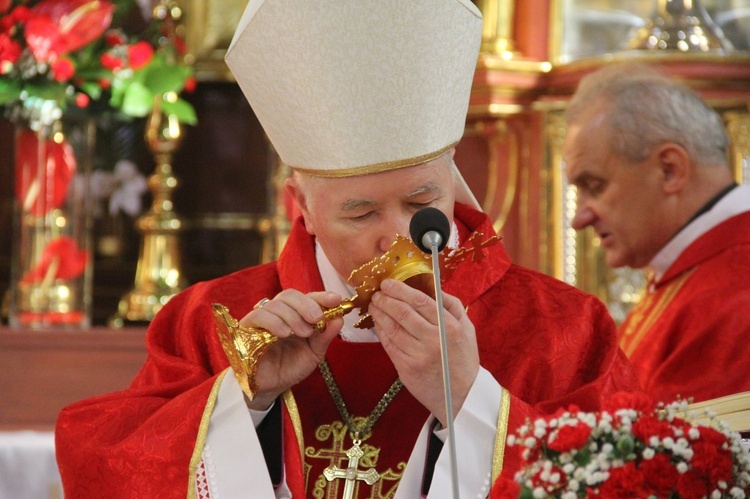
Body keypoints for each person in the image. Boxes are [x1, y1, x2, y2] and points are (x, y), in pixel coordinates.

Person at [55, 1, 638, 497]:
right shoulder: (213, 322)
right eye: (359, 211)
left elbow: (631, 475)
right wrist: (246, 402)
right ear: (301, 206)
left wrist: (469, 400)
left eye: (421, 199)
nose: (398, 235)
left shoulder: (563, 327)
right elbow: (106, 465)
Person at [564, 62, 750, 405]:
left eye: (594, 185)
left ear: (669, 170)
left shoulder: (735, 294)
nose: (580, 217)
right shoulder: (693, 270)